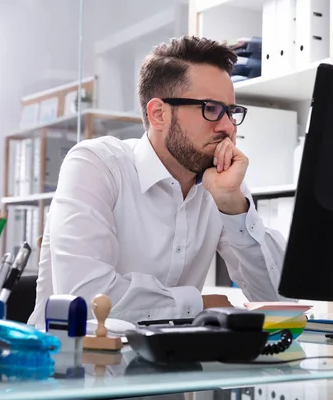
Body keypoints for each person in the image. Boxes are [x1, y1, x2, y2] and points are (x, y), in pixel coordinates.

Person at [28, 36, 290, 326]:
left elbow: (281, 303)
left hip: (171, 364)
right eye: (211, 109)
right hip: (71, 365)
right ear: (159, 114)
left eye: (231, 111)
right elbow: (86, 299)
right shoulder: (96, 164)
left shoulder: (223, 185)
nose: (228, 126)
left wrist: (234, 208)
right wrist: (196, 304)